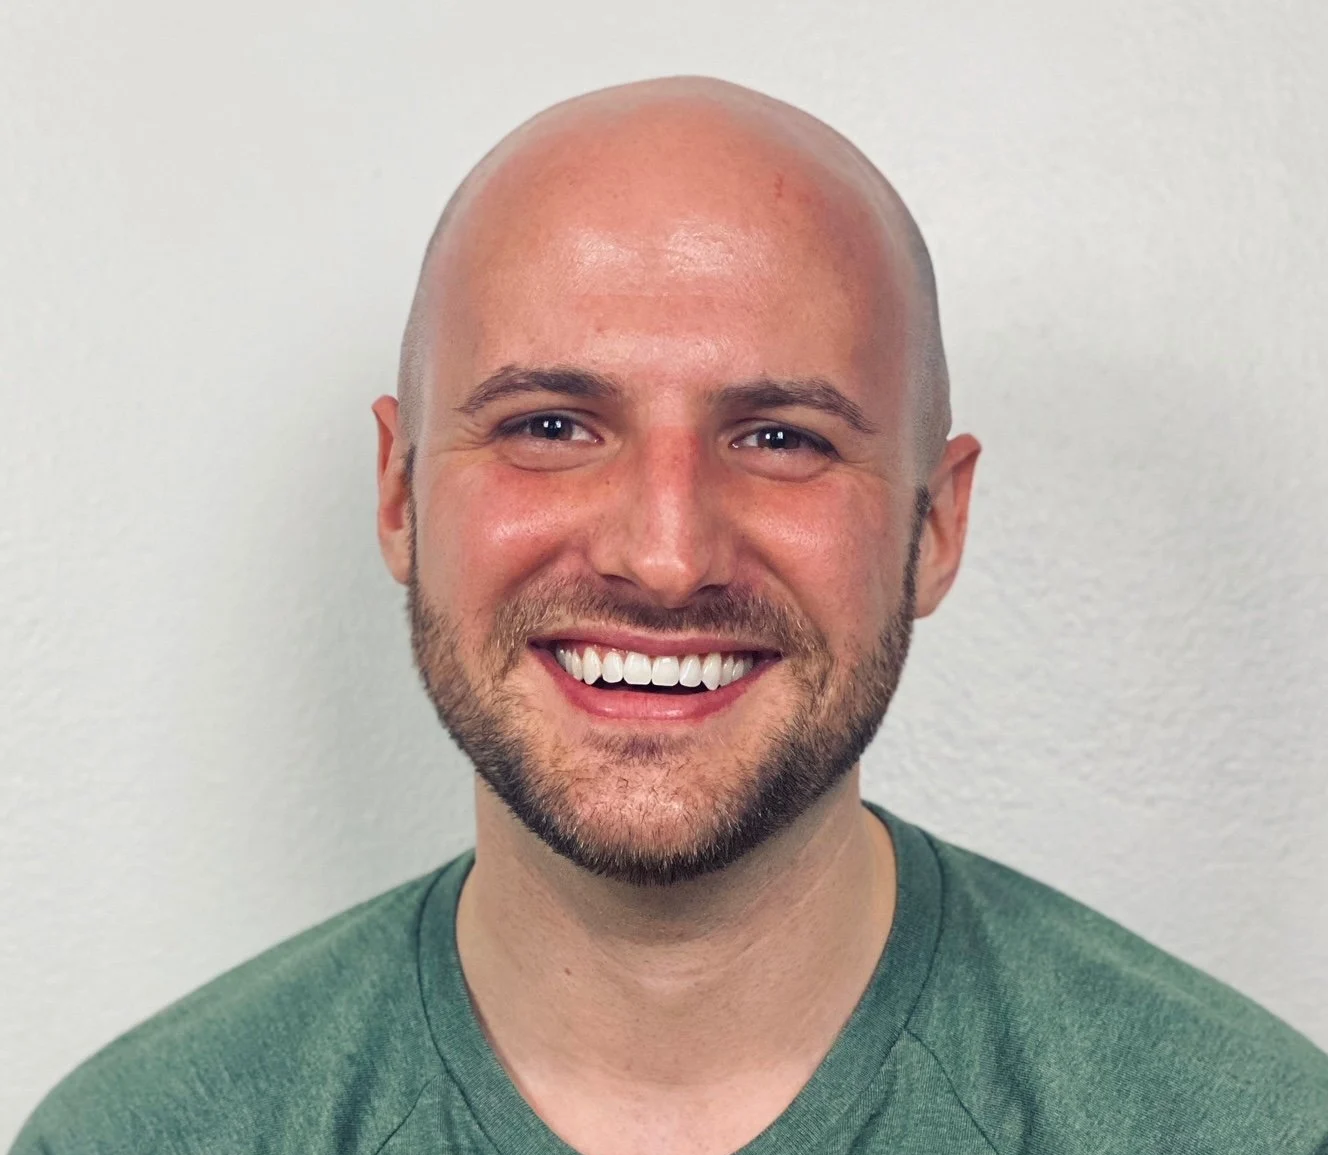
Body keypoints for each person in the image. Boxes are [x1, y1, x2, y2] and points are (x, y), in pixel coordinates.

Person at [12, 76, 1328, 1155]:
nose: (662, 552)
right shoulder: (145, 1135)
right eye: (548, 426)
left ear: (935, 522)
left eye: (778, 435)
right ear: (400, 493)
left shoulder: (1243, 1125)